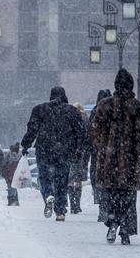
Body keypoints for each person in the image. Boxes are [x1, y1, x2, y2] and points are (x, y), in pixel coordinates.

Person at [90, 69, 140, 245]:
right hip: (132, 160)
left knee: (111, 194)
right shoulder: (139, 107)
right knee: (128, 197)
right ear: (131, 86)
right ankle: (125, 230)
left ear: (115, 85)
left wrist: (104, 146)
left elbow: (94, 131)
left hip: (109, 161)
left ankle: (112, 223)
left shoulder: (104, 105)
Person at [21, 86, 86, 221]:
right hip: (64, 150)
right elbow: (81, 132)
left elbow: (32, 129)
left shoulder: (40, 109)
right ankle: (60, 211)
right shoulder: (72, 111)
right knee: (62, 180)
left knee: (44, 177)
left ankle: (48, 195)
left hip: (44, 149)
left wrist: (25, 144)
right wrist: (78, 149)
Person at [89, 89, 111, 222]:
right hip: (113, 152)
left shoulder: (95, 111)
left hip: (98, 152)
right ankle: (108, 207)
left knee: (98, 179)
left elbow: (90, 131)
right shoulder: (115, 109)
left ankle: (102, 207)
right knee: (109, 180)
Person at [68, 103, 93, 214]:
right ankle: (77, 204)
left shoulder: (68, 118)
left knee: (69, 179)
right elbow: (88, 137)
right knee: (77, 180)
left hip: (69, 153)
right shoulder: (85, 119)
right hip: (81, 153)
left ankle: (72, 204)